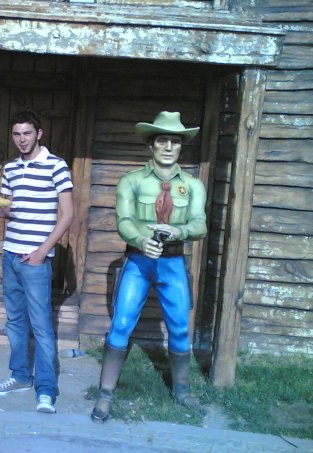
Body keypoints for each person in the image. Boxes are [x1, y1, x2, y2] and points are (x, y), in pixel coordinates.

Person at [91, 111, 207, 423]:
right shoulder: (131, 181)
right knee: (121, 323)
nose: (168, 147)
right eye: (162, 140)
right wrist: (141, 240)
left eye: (175, 142)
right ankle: (105, 394)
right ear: (151, 144)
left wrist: (179, 232)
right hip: (138, 261)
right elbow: (124, 220)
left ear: (181, 146)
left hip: (172, 263)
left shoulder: (193, 185)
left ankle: (182, 391)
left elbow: (199, 224)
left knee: (180, 326)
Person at [0, 110, 74, 414]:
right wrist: (0, 212)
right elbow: (12, 210)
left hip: (36, 259)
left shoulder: (57, 165)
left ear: (39, 134)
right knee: (15, 321)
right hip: (11, 255)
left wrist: (42, 251)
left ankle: (46, 390)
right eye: (16, 134)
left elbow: (68, 215)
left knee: (41, 324)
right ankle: (21, 376)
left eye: (27, 133)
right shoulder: (11, 168)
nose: (21, 139)